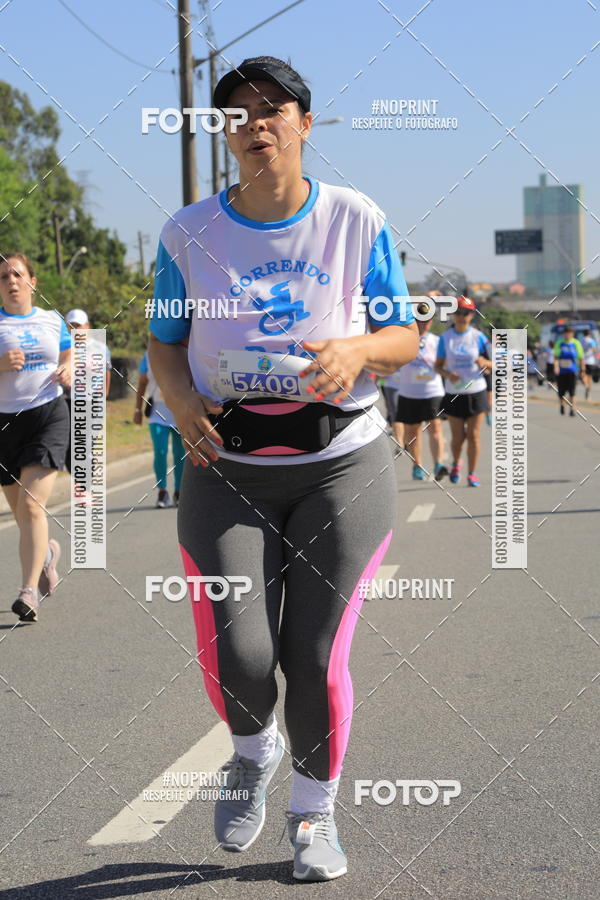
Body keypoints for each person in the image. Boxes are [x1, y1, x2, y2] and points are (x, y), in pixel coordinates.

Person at [148, 56, 418, 882]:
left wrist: (357, 348)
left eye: (274, 109)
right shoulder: (187, 232)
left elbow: (404, 338)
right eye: (239, 113)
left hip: (341, 463)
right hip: (224, 463)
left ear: (304, 123)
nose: (256, 122)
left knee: (314, 652)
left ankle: (313, 817)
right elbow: (164, 339)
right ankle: (250, 752)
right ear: (227, 133)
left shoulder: (353, 218)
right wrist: (182, 402)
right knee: (241, 651)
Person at [0, 253, 71, 622]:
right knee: (22, 514)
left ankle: (28, 593)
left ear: (32, 281)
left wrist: (68, 368)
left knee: (31, 507)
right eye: (3, 277)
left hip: (48, 415)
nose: (11, 282)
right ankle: (44, 557)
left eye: (17, 275)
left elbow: (68, 351)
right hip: (4, 424)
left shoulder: (51, 319)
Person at [434, 296, 491, 487]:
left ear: (472, 315)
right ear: (453, 315)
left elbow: (496, 364)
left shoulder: (479, 337)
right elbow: (438, 366)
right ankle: (457, 463)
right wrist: (448, 374)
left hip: (476, 391)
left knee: (474, 436)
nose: (461, 316)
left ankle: (472, 473)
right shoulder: (445, 339)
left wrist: (485, 362)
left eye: (465, 313)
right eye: (458, 312)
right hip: (454, 393)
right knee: (458, 437)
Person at [389, 301, 448, 481]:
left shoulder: (437, 341)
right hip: (409, 392)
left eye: (427, 320)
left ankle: (439, 464)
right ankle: (417, 465)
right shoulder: (404, 341)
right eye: (420, 320)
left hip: (432, 391)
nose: (424, 324)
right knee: (413, 432)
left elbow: (445, 364)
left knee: (435, 427)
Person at [64, 308, 112, 477]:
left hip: (93, 401)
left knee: (87, 444)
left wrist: (104, 396)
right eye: (71, 326)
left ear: (87, 326)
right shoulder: (65, 348)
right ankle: (81, 482)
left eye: (79, 325)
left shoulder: (100, 347)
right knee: (70, 447)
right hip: (70, 401)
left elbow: (107, 372)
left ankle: (87, 486)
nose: (75, 329)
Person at [134, 350, 184, 507]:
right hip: (157, 413)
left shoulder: (184, 351)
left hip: (180, 412)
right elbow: (142, 383)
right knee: (160, 451)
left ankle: (179, 491)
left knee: (180, 453)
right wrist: (137, 409)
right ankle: (162, 492)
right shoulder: (148, 356)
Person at [554, 325, 584, 416]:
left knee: (572, 391)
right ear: (564, 334)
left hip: (573, 370)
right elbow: (556, 357)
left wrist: (582, 370)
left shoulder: (576, 343)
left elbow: (581, 358)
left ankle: (572, 409)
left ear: (572, 334)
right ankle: (562, 405)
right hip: (562, 371)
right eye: (566, 334)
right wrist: (556, 367)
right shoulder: (559, 343)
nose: (567, 335)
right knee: (561, 392)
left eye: (569, 333)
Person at [581, 329, 598, 400]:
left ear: (583, 334)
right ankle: (589, 394)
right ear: (589, 334)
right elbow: (594, 350)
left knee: (583, 375)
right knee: (590, 377)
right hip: (590, 361)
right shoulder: (591, 341)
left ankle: (586, 386)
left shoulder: (581, 340)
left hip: (583, 361)